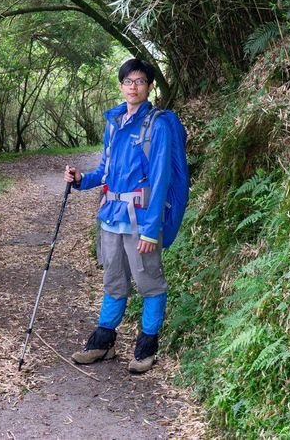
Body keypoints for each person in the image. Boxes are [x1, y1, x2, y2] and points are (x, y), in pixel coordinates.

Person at [64, 58, 182, 374]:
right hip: (111, 216)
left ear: (150, 86)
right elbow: (105, 170)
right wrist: (81, 180)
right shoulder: (114, 123)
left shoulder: (157, 125)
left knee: (150, 283)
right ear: (120, 85)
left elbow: (160, 180)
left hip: (141, 217)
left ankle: (147, 347)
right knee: (114, 281)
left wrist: (150, 229)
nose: (133, 86)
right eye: (128, 81)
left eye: (140, 81)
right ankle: (103, 342)